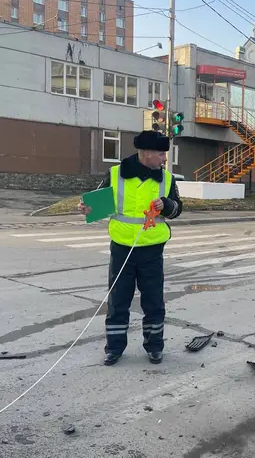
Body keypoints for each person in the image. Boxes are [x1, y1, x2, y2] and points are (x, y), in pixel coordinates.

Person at [78, 130, 182, 366]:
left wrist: (166, 205)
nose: (164, 159)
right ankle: (114, 348)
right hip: (122, 249)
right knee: (118, 300)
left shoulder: (166, 179)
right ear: (147, 153)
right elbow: (98, 203)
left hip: (152, 251)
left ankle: (154, 346)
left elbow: (178, 208)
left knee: (154, 301)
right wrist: (87, 208)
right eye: (161, 154)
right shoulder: (116, 174)